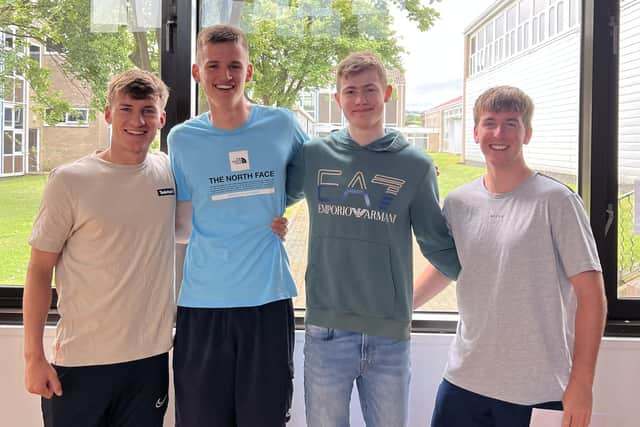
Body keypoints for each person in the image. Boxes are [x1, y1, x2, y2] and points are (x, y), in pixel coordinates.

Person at [414, 85, 607, 427]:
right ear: (475, 132)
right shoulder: (458, 202)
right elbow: (449, 267)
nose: (498, 133)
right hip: (463, 381)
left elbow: (592, 296)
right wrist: (399, 305)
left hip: (537, 389)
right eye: (489, 123)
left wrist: (582, 382)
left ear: (527, 134)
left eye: (511, 124)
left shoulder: (557, 202)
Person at [286, 51, 461, 427]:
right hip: (326, 331)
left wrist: (483, 278)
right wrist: (271, 223)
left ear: (388, 93)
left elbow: (437, 243)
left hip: (389, 338)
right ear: (338, 99)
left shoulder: (415, 166)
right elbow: (275, 197)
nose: (360, 99)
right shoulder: (314, 156)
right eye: (350, 91)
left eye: (370, 89)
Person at [168, 24, 307, 427]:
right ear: (197, 72)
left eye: (234, 66)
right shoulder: (181, 139)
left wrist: (282, 211)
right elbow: (181, 218)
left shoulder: (282, 124)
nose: (224, 76)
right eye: (213, 65)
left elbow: (311, 174)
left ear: (249, 72)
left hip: (266, 302)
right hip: (202, 305)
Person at [23, 69, 174, 426]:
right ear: (108, 114)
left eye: (147, 111)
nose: (137, 121)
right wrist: (33, 358)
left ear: (161, 118)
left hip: (149, 362)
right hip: (81, 363)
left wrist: (272, 219)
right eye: (126, 109)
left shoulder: (169, 172)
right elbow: (39, 269)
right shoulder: (71, 180)